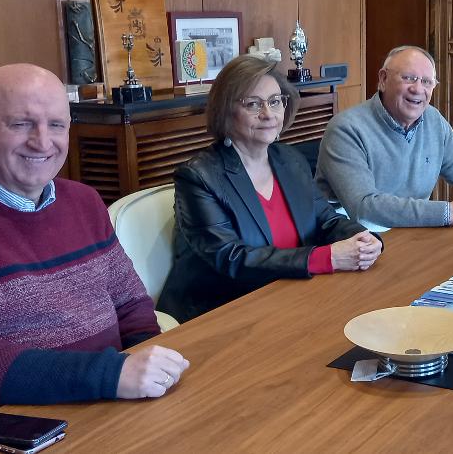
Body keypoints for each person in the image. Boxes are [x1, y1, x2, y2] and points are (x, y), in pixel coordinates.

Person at [0, 64, 189, 436]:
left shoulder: (83, 201)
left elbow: (131, 306)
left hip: (110, 409)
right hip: (14, 431)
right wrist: (113, 375)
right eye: (21, 124)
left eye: (57, 125)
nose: (42, 141)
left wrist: (151, 371)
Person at [158, 55, 381, 321]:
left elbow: (326, 221)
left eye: (275, 102)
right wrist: (327, 257)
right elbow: (233, 259)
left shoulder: (290, 160)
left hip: (291, 299)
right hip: (223, 313)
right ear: (226, 110)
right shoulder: (198, 177)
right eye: (253, 104)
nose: (268, 114)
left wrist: (364, 239)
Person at [316, 46, 453, 230]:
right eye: (408, 78)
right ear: (383, 79)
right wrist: (451, 212)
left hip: (412, 232)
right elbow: (364, 207)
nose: (418, 89)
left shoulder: (433, 120)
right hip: (353, 239)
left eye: (427, 82)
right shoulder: (346, 128)